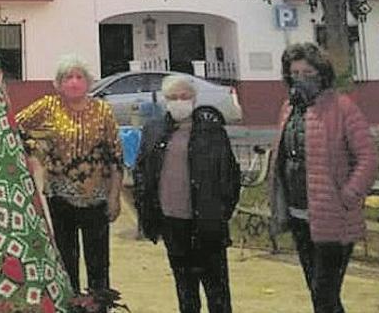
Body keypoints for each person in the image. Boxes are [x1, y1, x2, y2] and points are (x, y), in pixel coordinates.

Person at [269, 43, 379, 313]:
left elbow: (368, 158)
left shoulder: (343, 108)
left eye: (307, 72)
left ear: (321, 74)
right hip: (299, 215)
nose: (300, 78)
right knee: (320, 294)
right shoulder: (289, 110)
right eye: (294, 72)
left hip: (334, 219)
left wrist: (348, 196)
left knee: (324, 293)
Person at [16, 54, 123, 294]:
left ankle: (98, 305)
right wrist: (36, 148)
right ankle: (71, 304)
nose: (74, 82)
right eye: (68, 77)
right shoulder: (48, 106)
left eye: (79, 77)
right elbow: (15, 126)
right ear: (59, 82)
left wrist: (115, 196)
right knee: (66, 260)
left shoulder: (102, 110)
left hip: (96, 198)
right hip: (60, 197)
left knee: (98, 262)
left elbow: (116, 155)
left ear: (88, 81)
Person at [135, 75, 241, 313]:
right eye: (173, 97)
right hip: (172, 222)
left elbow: (231, 175)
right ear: (165, 100)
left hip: (207, 222)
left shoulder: (212, 131)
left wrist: (222, 211)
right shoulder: (154, 130)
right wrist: (148, 213)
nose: (179, 101)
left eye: (184, 96)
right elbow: (143, 172)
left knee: (217, 290)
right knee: (185, 289)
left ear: (194, 99)